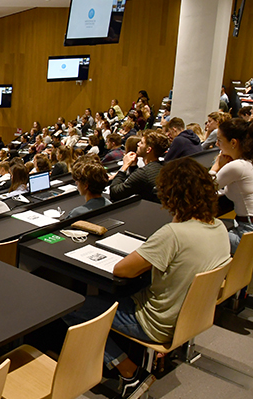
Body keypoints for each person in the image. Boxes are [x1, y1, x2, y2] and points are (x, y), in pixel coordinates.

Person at [63, 158, 231, 398]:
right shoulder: (219, 227)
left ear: (171, 195)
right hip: (190, 317)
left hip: (155, 322)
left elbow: (122, 270)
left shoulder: (174, 234)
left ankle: (129, 373)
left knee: (71, 306)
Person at [210, 118, 253, 254]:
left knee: (200, 235)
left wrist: (216, 166)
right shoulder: (248, 162)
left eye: (220, 140)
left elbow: (202, 188)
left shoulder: (237, 166)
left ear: (233, 142)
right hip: (246, 226)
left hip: (246, 232)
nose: (217, 144)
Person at [110, 130, 169, 203]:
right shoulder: (165, 166)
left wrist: (124, 166)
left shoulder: (144, 173)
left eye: (141, 142)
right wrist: (133, 166)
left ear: (148, 149)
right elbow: (137, 183)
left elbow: (114, 192)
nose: (138, 144)